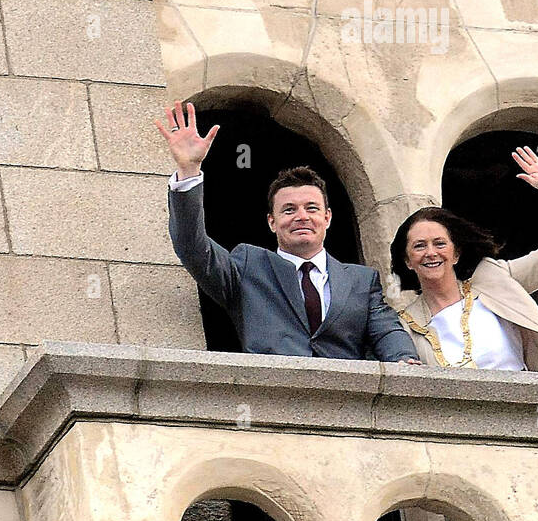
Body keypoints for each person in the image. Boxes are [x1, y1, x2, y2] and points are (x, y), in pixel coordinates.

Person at [387, 143, 538, 521]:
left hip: (531, 430)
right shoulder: (402, 317)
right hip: (466, 446)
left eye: (439, 243)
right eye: (418, 246)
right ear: (407, 260)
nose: (430, 252)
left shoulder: (494, 280)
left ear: (456, 252)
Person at [155, 100, 420, 364]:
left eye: (312, 208)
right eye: (289, 210)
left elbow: (387, 330)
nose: (302, 216)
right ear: (272, 222)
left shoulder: (362, 281)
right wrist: (189, 171)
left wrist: (403, 358)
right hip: (273, 396)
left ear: (327, 218)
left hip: (346, 400)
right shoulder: (249, 266)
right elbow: (192, 246)